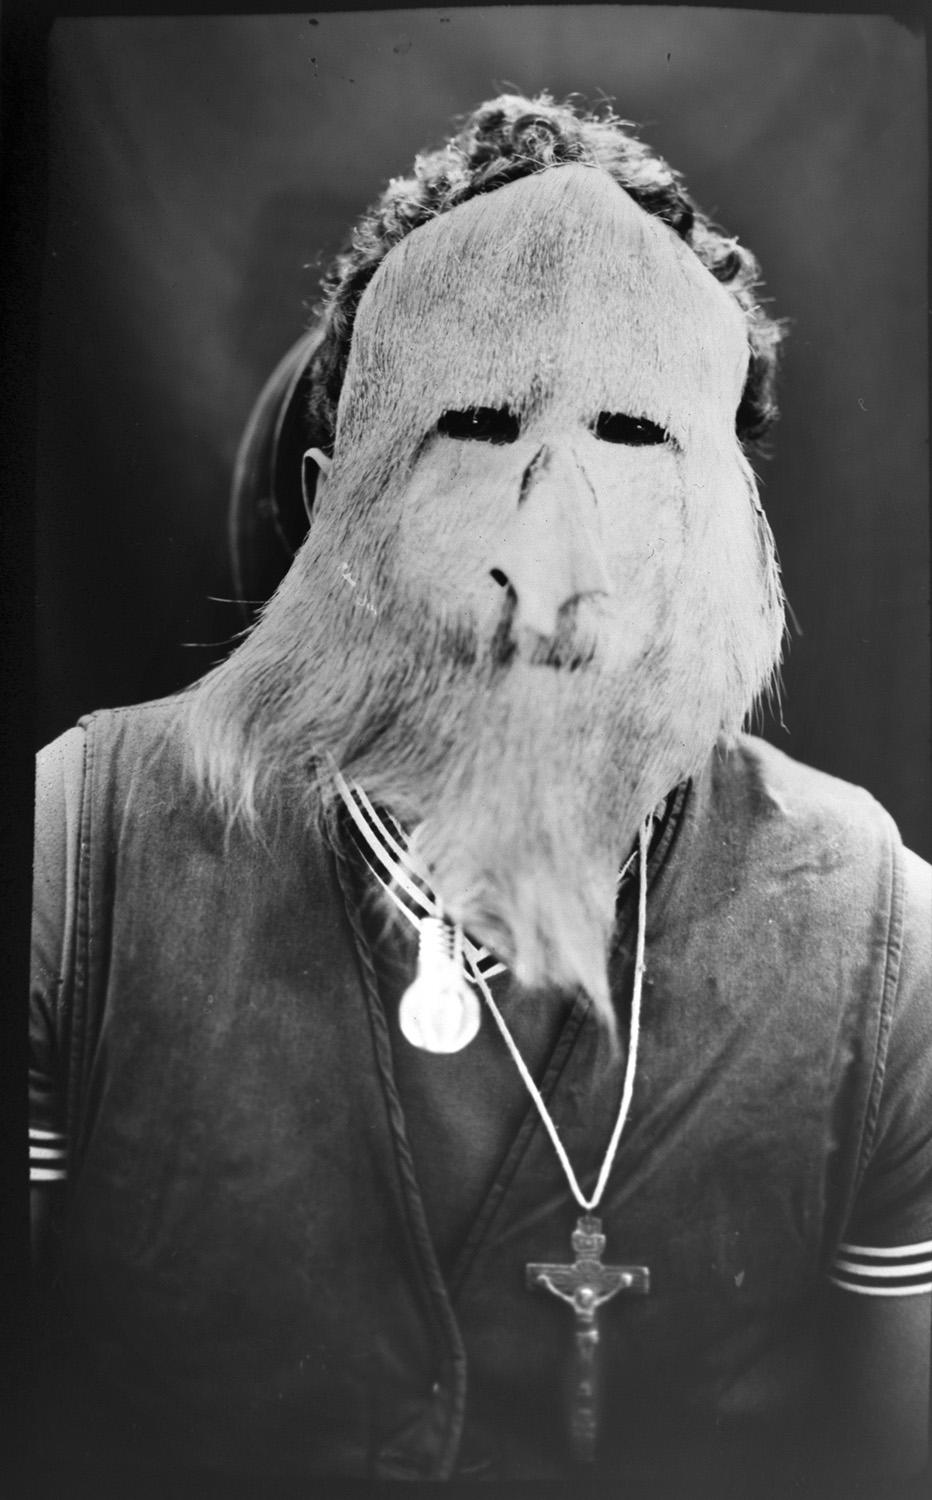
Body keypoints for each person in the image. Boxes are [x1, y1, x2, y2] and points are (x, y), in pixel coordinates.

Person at [30, 93, 930, 1496]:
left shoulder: (880, 930)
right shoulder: (74, 854)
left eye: (634, 441)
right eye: (473, 431)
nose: (548, 558)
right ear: (338, 516)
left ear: (726, 539)